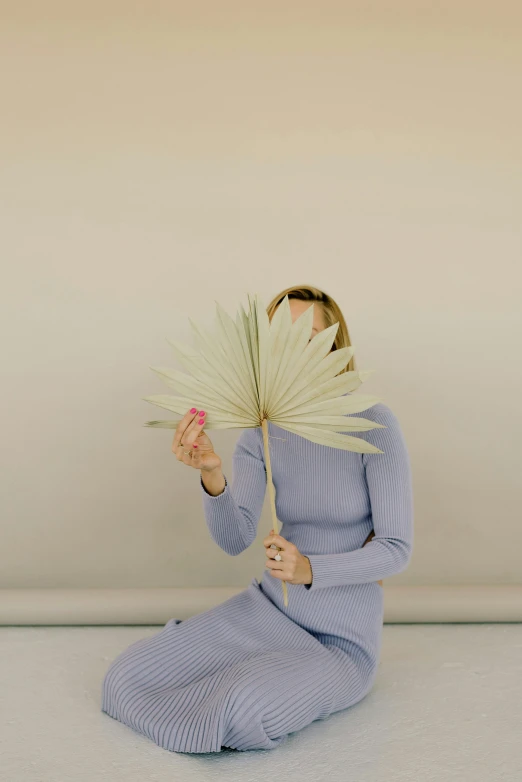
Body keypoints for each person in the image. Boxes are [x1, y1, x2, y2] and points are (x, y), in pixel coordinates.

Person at [101, 284, 414, 753]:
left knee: (242, 712)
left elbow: (396, 549)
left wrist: (310, 569)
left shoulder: (373, 420)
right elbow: (234, 538)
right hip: (266, 610)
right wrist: (212, 474)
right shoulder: (262, 430)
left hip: (340, 642)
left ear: (333, 343)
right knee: (123, 677)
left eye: (309, 336)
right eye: (280, 338)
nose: (296, 349)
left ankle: (233, 682)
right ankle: (214, 667)